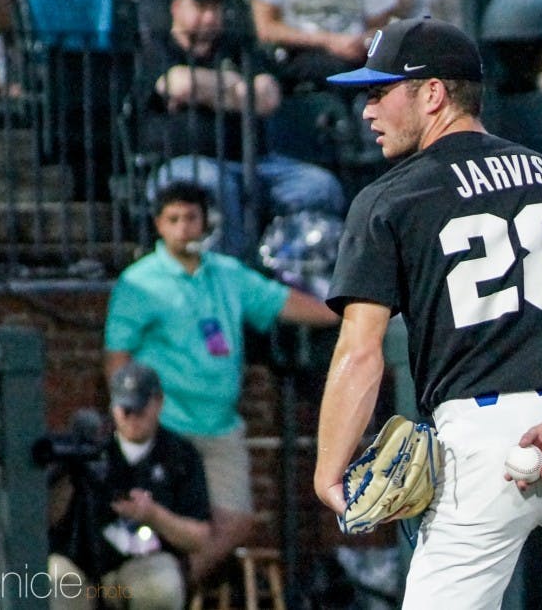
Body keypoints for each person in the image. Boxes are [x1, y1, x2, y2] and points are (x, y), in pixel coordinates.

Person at [313, 16, 542, 608]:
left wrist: (329, 469)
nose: (368, 110)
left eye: (380, 91)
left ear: (432, 93)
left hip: (478, 444)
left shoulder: (390, 199)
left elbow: (360, 353)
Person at [103, 181, 338, 585]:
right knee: (153, 524)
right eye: (173, 219)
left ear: (205, 221)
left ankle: (165, 592)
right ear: (158, 224)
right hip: (167, 425)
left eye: (191, 218)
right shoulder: (139, 281)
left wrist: (345, 312)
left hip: (220, 424)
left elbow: (279, 301)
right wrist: (124, 410)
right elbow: (117, 355)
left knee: (237, 521)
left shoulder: (228, 273)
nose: (183, 228)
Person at [143, 0, 347, 258]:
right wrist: (238, 88)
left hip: (258, 162)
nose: (210, 17)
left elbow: (268, 97)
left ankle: (292, 269)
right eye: (201, 7)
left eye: (215, 8)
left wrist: (206, 92)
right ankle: (234, 272)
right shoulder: (158, 46)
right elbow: (180, 83)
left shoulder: (237, 46)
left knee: (320, 186)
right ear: (176, 7)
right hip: (184, 165)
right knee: (218, 184)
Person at [47, 361, 212, 610]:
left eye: (139, 409)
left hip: (142, 565)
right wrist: (72, 472)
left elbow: (199, 537)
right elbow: (48, 517)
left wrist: (153, 515)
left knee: (161, 586)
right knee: (51, 579)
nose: (131, 417)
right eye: (125, 409)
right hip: (82, 566)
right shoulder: (92, 448)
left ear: (157, 403)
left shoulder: (179, 455)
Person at [243, 0, 401, 93]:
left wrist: (363, 41)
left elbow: (380, 24)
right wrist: (329, 41)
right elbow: (266, 28)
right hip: (299, 52)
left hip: (358, 51)